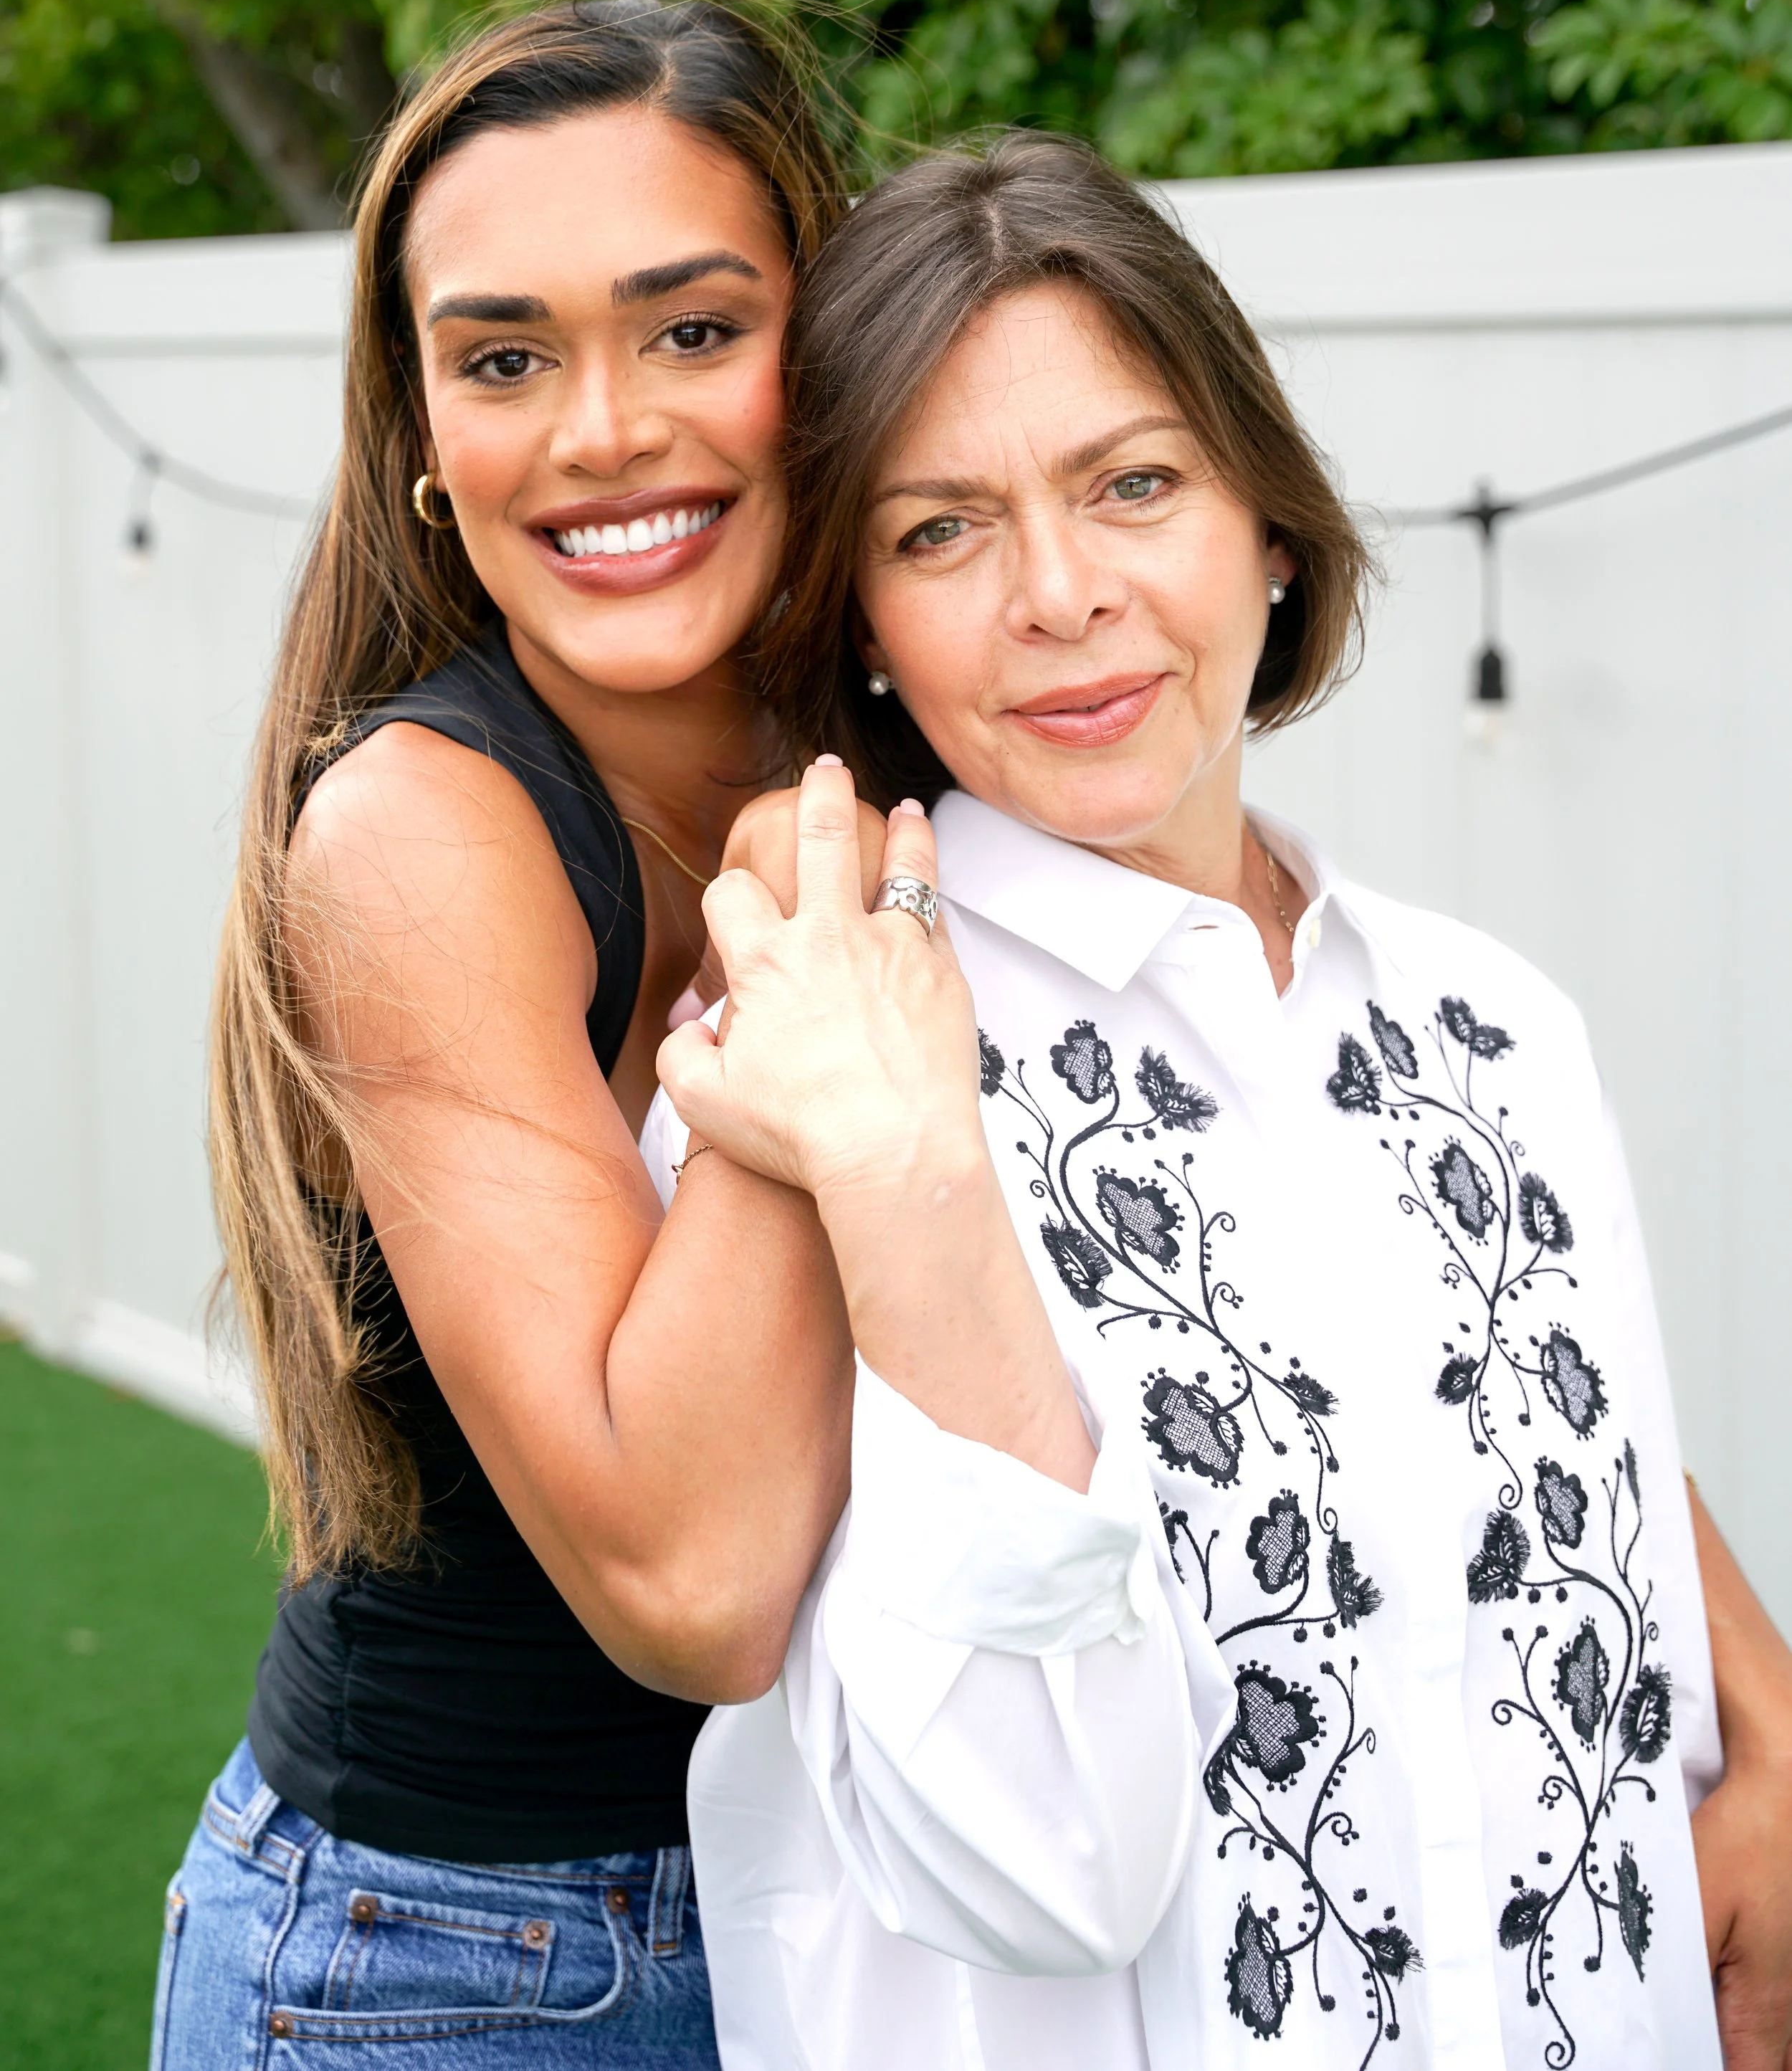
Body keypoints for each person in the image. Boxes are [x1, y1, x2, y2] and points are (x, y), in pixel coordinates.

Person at [649, 132, 1792, 2069]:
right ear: (856, 614)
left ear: (1267, 515)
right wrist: (908, 1175)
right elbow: (1034, 1864)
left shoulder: (1496, 1026)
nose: (1060, 593)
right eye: (938, 530)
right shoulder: (800, 1074)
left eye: (1135, 483)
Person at [153, 0, 864, 2068]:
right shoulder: (413, 831)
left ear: (829, 349)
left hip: (867, 1904)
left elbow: (1321, 1101)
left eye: (695, 328)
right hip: (473, 1955)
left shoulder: (938, 678)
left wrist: (1744, 1683)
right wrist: (817, 946)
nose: (601, 428)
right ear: (423, 438)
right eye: (503, 356)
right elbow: (698, 1576)